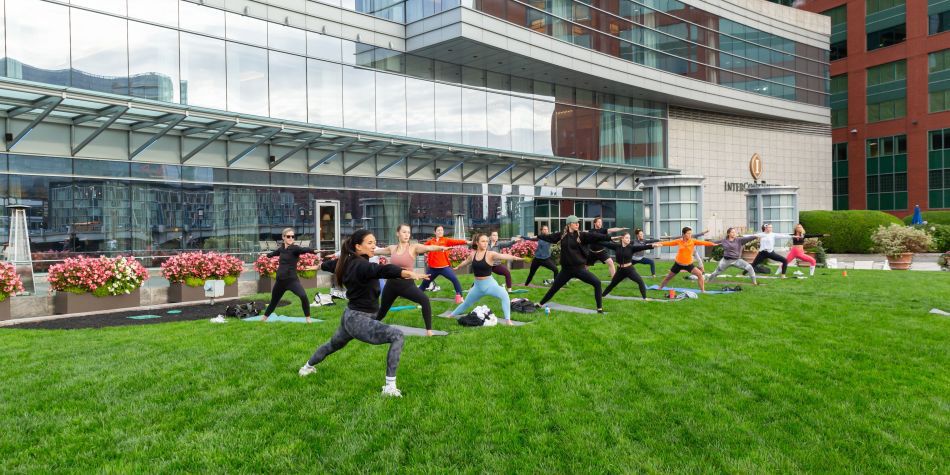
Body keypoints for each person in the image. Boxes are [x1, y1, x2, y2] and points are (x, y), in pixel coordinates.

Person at [299, 229, 428, 397]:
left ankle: (306, 367)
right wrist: (405, 273)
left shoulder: (346, 261)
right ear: (358, 247)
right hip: (358, 319)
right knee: (397, 336)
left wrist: (317, 266)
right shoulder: (361, 265)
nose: (374, 246)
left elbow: (330, 265)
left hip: (349, 316)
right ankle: (389, 388)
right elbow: (381, 270)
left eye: (374, 242)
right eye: (370, 243)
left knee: (333, 345)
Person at [374, 224, 447, 337]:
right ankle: (372, 325)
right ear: (397, 233)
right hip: (391, 284)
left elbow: (429, 248)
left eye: (408, 232)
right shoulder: (392, 248)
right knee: (383, 310)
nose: (407, 234)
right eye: (404, 232)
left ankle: (429, 330)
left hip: (406, 285)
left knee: (424, 300)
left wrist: (441, 248)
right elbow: (377, 251)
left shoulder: (414, 247)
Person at [535, 215, 614, 313]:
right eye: (575, 223)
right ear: (569, 224)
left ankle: (599, 309)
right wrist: (536, 237)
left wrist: (609, 237)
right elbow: (549, 237)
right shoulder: (562, 235)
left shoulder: (581, 235)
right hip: (566, 270)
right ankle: (540, 304)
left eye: (578, 223)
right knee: (554, 288)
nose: (577, 224)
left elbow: (595, 236)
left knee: (597, 283)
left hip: (579, 269)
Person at [449, 233, 523, 325]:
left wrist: (515, 258)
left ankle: (508, 320)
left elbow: (503, 256)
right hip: (477, 287)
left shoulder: (490, 254)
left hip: (490, 285)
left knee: (505, 296)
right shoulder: (473, 254)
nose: (485, 243)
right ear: (477, 242)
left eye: (487, 241)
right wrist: (457, 267)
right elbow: (466, 262)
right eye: (483, 241)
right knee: (466, 303)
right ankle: (451, 315)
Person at [261, 228, 318, 323]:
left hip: (292, 280)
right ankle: (264, 318)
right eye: (288, 236)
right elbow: (273, 253)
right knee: (274, 301)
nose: (291, 238)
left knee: (303, 296)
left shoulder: (295, 248)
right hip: (280, 281)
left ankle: (308, 318)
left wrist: (314, 251)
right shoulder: (282, 249)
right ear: (283, 237)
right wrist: (266, 255)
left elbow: (304, 249)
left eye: (292, 236)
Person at [418, 225, 469, 304]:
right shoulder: (431, 241)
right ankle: (416, 297)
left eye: (441, 230)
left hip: (444, 268)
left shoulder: (446, 240)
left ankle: (460, 297)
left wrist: (466, 242)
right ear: (435, 232)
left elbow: (457, 241)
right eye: (438, 230)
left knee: (454, 279)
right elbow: (421, 247)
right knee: (424, 283)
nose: (440, 232)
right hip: (432, 269)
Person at [656, 227, 717, 293]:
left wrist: (712, 244)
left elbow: (702, 242)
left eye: (691, 233)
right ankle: (660, 288)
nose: (690, 235)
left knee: (699, 274)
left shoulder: (693, 241)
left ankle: (702, 291)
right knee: (668, 277)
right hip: (678, 264)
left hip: (688, 265)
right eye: (688, 233)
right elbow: (669, 243)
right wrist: (660, 244)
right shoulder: (679, 241)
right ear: (683, 234)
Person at [601, 233, 659, 299]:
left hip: (629, 270)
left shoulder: (631, 247)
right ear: (622, 238)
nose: (628, 239)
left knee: (640, 282)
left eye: (629, 238)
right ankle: (602, 296)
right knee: (612, 284)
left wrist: (652, 246)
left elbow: (642, 247)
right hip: (620, 270)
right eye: (626, 238)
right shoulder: (617, 246)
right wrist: (593, 240)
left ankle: (645, 298)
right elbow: (605, 244)